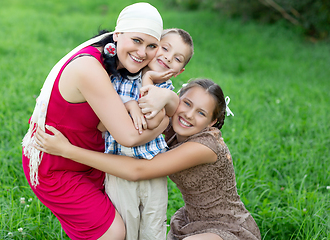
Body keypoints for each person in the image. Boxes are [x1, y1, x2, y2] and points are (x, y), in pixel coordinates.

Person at [22, 3, 179, 239]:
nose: (143, 52)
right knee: (114, 232)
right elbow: (128, 137)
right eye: (136, 40)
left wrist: (149, 100)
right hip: (57, 164)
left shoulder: (119, 64)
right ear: (117, 35)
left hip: (91, 159)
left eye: (151, 46)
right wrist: (167, 118)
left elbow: (109, 121)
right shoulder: (89, 66)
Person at [34, 79, 262, 240]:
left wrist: (68, 150)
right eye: (187, 104)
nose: (189, 115)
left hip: (227, 228)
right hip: (192, 221)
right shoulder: (170, 127)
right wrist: (131, 104)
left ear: (212, 122)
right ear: (177, 100)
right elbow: (110, 126)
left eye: (201, 113)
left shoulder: (205, 146)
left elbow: (139, 171)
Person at [102, 28, 194, 240]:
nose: (167, 58)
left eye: (177, 58)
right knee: (127, 225)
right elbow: (106, 113)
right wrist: (131, 104)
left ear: (180, 71)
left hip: (153, 167)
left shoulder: (167, 91)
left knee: (153, 228)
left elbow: (151, 121)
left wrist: (149, 80)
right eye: (164, 48)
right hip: (119, 166)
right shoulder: (120, 78)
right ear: (152, 47)